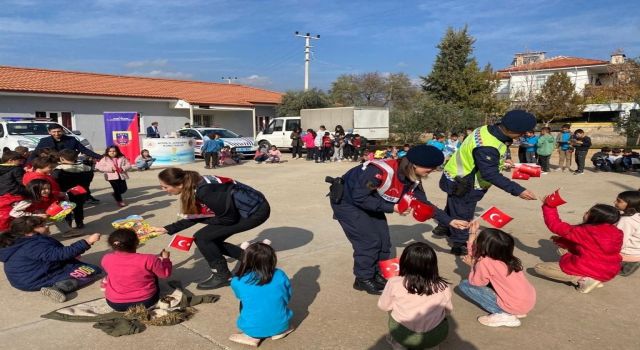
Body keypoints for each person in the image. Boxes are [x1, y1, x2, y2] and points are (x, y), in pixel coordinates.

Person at [330, 145, 469, 295]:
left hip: (372, 201)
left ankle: (376, 273)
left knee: (383, 240)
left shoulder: (413, 176)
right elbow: (359, 197)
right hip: (349, 203)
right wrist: (393, 208)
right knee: (369, 241)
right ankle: (363, 279)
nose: (432, 171)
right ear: (415, 164)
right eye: (430, 168)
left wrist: (449, 221)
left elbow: (423, 203)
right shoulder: (378, 171)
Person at [434, 110, 538, 255]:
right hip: (465, 183)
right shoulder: (488, 146)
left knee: (454, 204)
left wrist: (502, 161)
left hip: (455, 175)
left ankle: (443, 225)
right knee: (463, 212)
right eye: (521, 133)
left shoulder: (486, 129)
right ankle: (459, 243)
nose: (522, 136)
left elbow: (486, 156)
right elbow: (490, 174)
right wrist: (518, 190)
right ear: (510, 130)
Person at [150, 168, 270, 290]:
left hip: (254, 213)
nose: (163, 190)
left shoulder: (205, 191)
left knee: (203, 238)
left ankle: (222, 275)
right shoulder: (194, 182)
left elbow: (228, 219)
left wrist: (201, 219)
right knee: (210, 239)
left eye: (165, 187)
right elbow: (198, 214)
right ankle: (253, 260)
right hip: (240, 210)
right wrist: (167, 229)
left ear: (179, 184)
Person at [0, 216, 101, 302]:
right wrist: (87, 242)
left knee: (74, 263)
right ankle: (59, 288)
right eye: (42, 226)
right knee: (89, 271)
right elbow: (61, 254)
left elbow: (52, 253)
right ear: (28, 232)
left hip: (25, 276)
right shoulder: (34, 245)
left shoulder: (22, 239)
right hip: (33, 279)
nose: (47, 226)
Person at [459, 222, 536, 328]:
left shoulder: (485, 262)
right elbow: (475, 255)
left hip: (514, 304)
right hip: (527, 302)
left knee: (465, 285)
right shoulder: (508, 258)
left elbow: (476, 282)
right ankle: (515, 311)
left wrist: (472, 266)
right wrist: (472, 233)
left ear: (483, 246)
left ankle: (505, 315)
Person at [534, 201, 623, 293]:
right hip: (611, 269)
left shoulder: (584, 231)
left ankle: (582, 279)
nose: (585, 213)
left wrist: (549, 206)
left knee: (540, 268)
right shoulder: (617, 233)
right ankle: (594, 279)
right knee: (562, 249)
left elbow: (555, 225)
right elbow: (589, 245)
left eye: (588, 212)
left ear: (595, 218)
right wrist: (561, 240)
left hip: (590, 267)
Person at [377, 242, 452, 349]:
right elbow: (448, 311)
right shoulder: (443, 286)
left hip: (403, 334)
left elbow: (383, 306)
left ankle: (397, 343)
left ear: (403, 262)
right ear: (433, 265)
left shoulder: (394, 282)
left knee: (393, 310)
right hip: (434, 336)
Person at [228, 241, 294, 346]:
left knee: (245, 301)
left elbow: (239, 296)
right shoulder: (280, 274)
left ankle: (251, 337)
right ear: (272, 259)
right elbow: (288, 295)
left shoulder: (237, 281)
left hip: (252, 329)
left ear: (245, 260)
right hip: (282, 324)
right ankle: (279, 331)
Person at [101, 228, 172, 311]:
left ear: (112, 245)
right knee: (153, 273)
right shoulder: (149, 259)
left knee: (110, 275)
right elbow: (164, 274)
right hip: (146, 302)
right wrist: (166, 259)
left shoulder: (106, 258)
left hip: (115, 304)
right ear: (137, 243)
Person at [52, 149, 93, 230]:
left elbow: (55, 181)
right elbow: (89, 180)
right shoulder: (87, 168)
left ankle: (68, 224)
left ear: (61, 158)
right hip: (81, 192)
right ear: (76, 157)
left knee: (66, 209)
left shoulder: (59, 169)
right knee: (79, 208)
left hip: (64, 193)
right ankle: (80, 223)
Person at [29, 124, 102, 162]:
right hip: (52, 164)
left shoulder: (71, 139)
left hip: (69, 163)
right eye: (54, 132)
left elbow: (84, 150)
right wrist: (27, 164)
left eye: (59, 131)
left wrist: (101, 157)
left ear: (63, 131)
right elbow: (35, 153)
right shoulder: (44, 141)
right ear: (49, 132)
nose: (57, 134)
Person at [614, 191, 640, 276]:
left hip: (626, 258)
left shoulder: (627, 220)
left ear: (630, 204)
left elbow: (619, 240)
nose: (614, 202)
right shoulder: (637, 216)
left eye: (619, 201)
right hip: (636, 256)